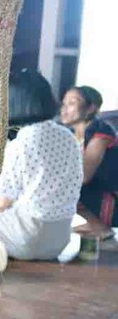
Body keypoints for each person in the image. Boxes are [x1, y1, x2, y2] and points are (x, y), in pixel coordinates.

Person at [0, 69, 83, 261]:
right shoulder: (69, 137)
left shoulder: (21, 143)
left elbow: (2, 202)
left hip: (30, 237)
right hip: (60, 237)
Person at [60, 85, 118, 235]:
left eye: (72, 103)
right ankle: (93, 223)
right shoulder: (70, 134)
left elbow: (84, 176)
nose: (65, 109)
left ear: (91, 108)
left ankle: (99, 226)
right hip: (96, 191)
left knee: (63, 187)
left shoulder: (101, 132)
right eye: (64, 103)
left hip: (110, 197)